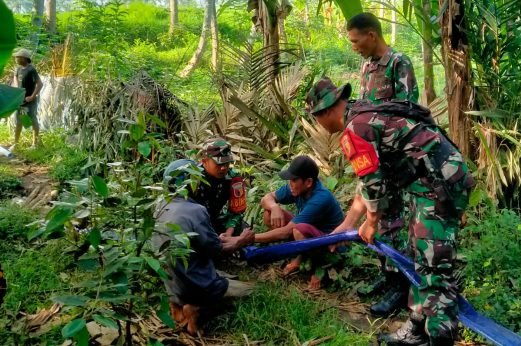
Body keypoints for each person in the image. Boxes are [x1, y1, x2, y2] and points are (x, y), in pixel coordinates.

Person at [306, 77, 472, 346]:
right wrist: (347, 225)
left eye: (315, 117)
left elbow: (373, 185)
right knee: (420, 255)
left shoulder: (355, 129)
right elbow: (367, 182)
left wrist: (371, 223)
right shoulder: (364, 114)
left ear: (325, 112)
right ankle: (418, 329)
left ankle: (439, 337)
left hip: (437, 184)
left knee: (433, 268)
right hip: (434, 180)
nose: (318, 123)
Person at [347, 12, 419, 315]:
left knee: (395, 221)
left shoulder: (399, 63)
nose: (354, 47)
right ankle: (387, 273)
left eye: (356, 41)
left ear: (372, 35)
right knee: (380, 216)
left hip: (397, 157)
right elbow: (365, 109)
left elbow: (409, 112)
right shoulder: (367, 66)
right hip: (375, 156)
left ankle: (400, 286)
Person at [155, 159, 255, 335]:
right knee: (251, 290)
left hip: (171, 283)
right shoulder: (195, 210)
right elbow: (216, 250)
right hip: (195, 285)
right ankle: (196, 310)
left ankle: (176, 304)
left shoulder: (160, 205)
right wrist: (241, 241)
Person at [255, 155, 344, 287]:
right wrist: (274, 207)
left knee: (299, 230)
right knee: (269, 213)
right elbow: (266, 199)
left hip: (331, 245)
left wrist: (251, 238)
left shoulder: (321, 198)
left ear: (308, 182)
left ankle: (320, 266)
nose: (290, 184)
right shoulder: (296, 188)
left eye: (294, 180)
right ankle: (300, 255)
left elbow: (286, 232)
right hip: (310, 235)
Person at [167, 137, 248, 236]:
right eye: (218, 163)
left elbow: (237, 211)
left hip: (216, 220)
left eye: (226, 163)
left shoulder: (233, 178)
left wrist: (229, 232)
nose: (223, 168)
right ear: (204, 161)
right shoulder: (191, 178)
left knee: (245, 231)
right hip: (193, 222)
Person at [11, 48, 42, 148]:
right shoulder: (18, 69)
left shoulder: (31, 70)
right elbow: (15, 78)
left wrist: (32, 96)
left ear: (24, 58)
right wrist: (16, 88)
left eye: (18, 57)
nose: (16, 59)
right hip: (21, 102)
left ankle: (34, 144)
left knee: (33, 120)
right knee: (19, 121)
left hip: (30, 102)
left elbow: (40, 84)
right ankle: (16, 143)